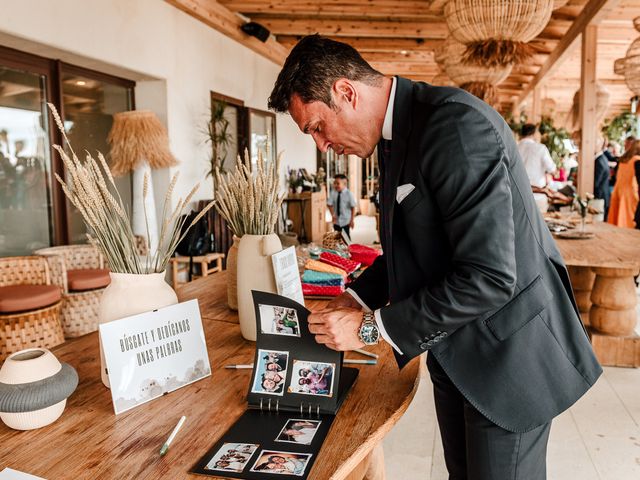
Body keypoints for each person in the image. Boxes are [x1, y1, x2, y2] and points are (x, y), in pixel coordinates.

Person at [268, 34, 601, 480]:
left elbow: (489, 276)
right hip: (458, 351)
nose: (323, 147)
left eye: (316, 127)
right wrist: (358, 299)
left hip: (507, 360)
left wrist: (371, 328)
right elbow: (415, 244)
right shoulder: (392, 135)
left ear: (346, 93)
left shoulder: (455, 126)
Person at [608, 138, 640, 228]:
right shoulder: (637, 160)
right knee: (629, 222)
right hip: (631, 194)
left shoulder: (623, 161)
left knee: (619, 220)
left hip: (618, 191)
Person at [517, 123, 557, 188]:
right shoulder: (540, 148)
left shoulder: (514, 147)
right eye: (538, 131)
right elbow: (552, 169)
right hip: (537, 192)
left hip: (518, 190)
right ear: (534, 133)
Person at [327, 173, 357, 238]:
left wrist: (352, 220)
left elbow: (353, 207)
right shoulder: (333, 193)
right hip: (336, 221)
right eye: (334, 183)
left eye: (338, 183)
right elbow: (329, 204)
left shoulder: (349, 194)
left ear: (344, 184)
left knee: (346, 238)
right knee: (337, 238)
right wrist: (333, 215)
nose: (335, 185)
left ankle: (348, 248)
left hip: (346, 221)